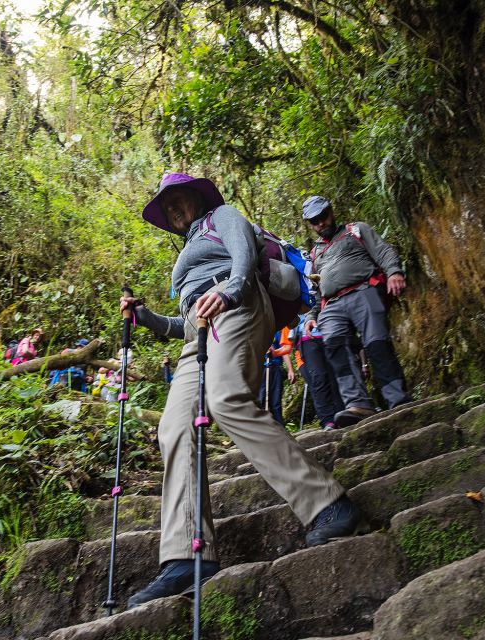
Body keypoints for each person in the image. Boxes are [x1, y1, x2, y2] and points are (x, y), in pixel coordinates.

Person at [120, 172, 359, 610]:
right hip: (201, 331)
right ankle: (187, 555)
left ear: (195, 197)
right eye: (166, 204)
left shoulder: (221, 217)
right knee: (173, 427)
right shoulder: (186, 253)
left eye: (178, 198)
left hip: (239, 304)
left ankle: (328, 502)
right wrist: (146, 317)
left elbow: (244, 256)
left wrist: (229, 293)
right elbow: (184, 325)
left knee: (227, 398)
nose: (173, 208)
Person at [302, 195, 410, 428]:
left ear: (331, 212)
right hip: (331, 305)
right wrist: (312, 317)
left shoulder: (355, 230)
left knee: (377, 344)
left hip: (362, 291)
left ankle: (397, 399)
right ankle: (358, 404)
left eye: (323, 216)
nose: (320, 223)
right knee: (337, 351)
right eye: (314, 221)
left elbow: (383, 251)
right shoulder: (314, 254)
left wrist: (394, 272)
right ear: (310, 225)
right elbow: (318, 290)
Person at [293, 313, 349, 430]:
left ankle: (342, 414)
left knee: (335, 375)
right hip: (307, 338)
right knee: (319, 377)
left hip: (329, 332)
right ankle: (328, 420)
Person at [258, 327, 294, 425]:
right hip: (260, 370)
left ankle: (280, 428)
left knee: (275, 402)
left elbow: (284, 351)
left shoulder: (277, 332)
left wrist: (290, 370)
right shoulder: (256, 330)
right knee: (261, 399)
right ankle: (261, 427)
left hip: (275, 368)